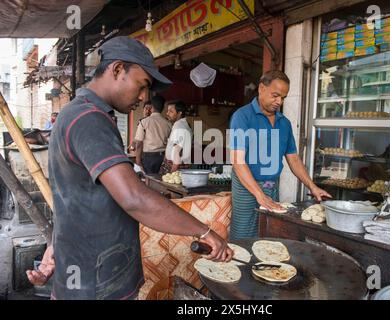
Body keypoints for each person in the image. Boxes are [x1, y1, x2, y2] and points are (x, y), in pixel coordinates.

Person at [26, 36, 232, 300]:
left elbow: (74, 199)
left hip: (85, 275)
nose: (145, 97)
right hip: (97, 285)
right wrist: (205, 231)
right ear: (117, 69)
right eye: (143, 84)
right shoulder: (89, 119)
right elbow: (133, 199)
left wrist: (56, 244)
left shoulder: (77, 113)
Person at [229, 70, 332, 240]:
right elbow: (238, 161)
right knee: (243, 236)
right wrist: (259, 195)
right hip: (246, 188)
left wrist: (312, 186)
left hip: (271, 187)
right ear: (262, 88)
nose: (279, 102)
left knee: (268, 236)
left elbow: (293, 159)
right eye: (275, 95)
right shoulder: (242, 117)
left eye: (283, 98)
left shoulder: (284, 123)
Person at [134, 95, 172, 173]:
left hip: (148, 158)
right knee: (160, 181)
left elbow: (139, 144)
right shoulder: (168, 124)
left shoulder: (144, 122)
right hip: (163, 157)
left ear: (152, 107)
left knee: (148, 181)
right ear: (163, 108)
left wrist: (138, 162)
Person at [160, 100, 193, 174]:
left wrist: (172, 173)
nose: (167, 113)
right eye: (167, 111)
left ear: (179, 113)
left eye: (171, 111)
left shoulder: (179, 127)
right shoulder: (182, 124)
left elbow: (177, 152)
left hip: (174, 167)